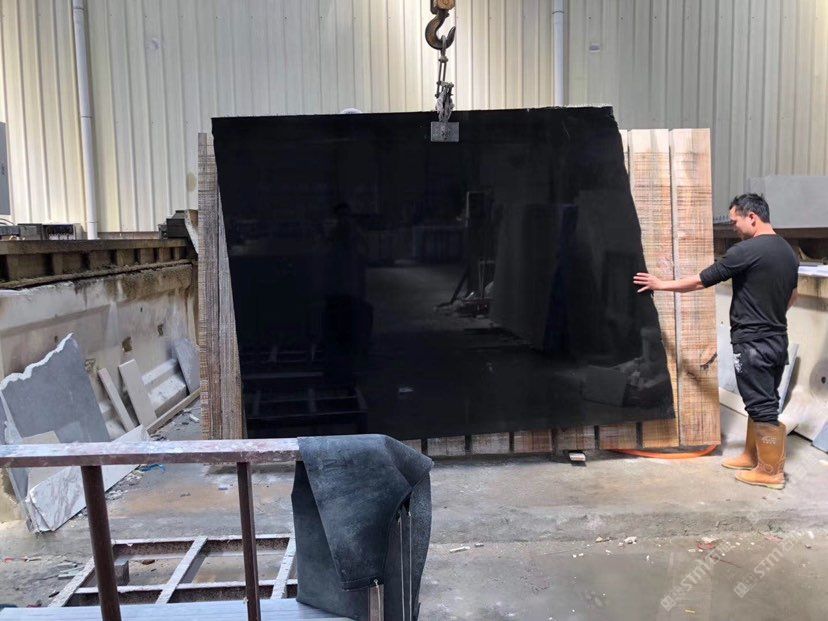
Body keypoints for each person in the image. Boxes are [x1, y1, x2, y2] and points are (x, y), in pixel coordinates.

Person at [633, 194, 798, 490]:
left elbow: (701, 280)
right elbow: (792, 296)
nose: (733, 227)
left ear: (752, 217)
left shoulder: (745, 251)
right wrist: (770, 317)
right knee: (764, 400)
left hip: (752, 343)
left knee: (760, 405)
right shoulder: (788, 251)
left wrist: (660, 284)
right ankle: (752, 456)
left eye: (735, 221)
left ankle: (770, 472)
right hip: (777, 339)